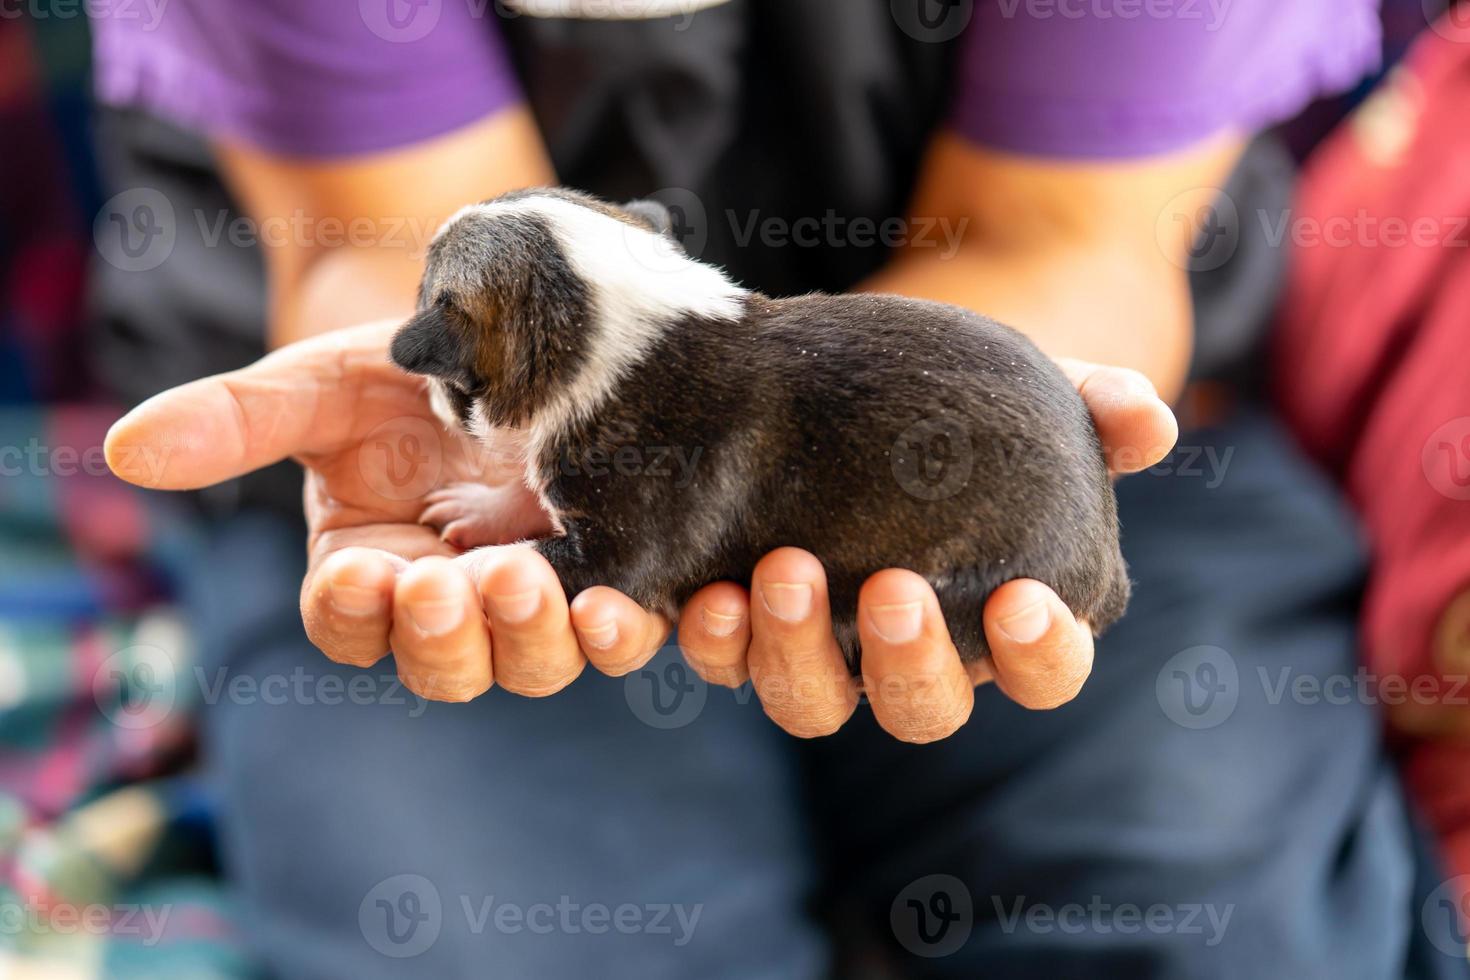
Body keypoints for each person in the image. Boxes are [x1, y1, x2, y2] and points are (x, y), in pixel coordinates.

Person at [96, 1, 1462, 976]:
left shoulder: (624, 421)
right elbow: (414, 230)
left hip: (1076, 478)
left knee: (1222, 923)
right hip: (422, 534)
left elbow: (1064, 234)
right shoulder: (569, 388)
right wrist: (469, 454)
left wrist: (641, 509)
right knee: (483, 939)